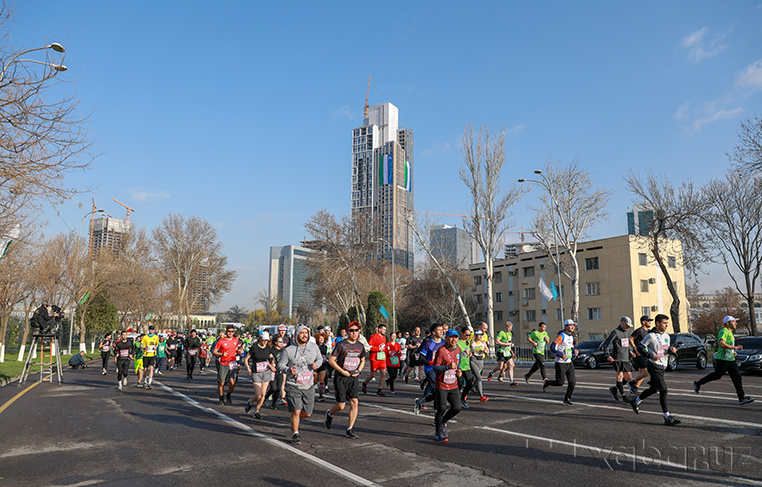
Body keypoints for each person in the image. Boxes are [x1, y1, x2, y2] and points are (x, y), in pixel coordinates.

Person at [629, 314, 681, 426]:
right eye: (664, 323)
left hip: (662, 366)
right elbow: (640, 348)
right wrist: (650, 355)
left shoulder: (667, 336)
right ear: (657, 323)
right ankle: (667, 417)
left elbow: (663, 351)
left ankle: (636, 401)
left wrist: (672, 351)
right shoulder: (650, 336)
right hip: (654, 365)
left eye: (667, 323)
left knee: (654, 389)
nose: (666, 325)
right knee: (663, 390)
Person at [694, 316, 754, 405]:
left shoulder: (730, 333)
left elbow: (727, 346)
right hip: (722, 359)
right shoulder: (723, 331)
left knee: (737, 377)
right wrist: (735, 347)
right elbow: (721, 344)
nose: (736, 323)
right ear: (727, 323)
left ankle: (741, 398)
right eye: (734, 322)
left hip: (730, 359)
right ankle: (698, 383)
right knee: (717, 375)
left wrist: (732, 352)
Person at [278, 324, 322, 445]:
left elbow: (320, 359)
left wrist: (316, 365)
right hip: (293, 384)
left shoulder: (314, 347)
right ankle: (295, 433)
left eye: (306, 333)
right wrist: (288, 370)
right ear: (297, 334)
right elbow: (280, 365)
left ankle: (294, 420)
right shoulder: (289, 350)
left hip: (308, 384)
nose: (304, 335)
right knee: (297, 410)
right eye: (301, 333)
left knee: (307, 413)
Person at [325, 321, 366, 439]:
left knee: (354, 402)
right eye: (351, 330)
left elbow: (362, 360)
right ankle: (330, 414)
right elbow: (331, 361)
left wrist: (359, 370)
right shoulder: (342, 345)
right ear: (347, 332)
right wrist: (342, 371)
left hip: (354, 377)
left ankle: (350, 429)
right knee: (341, 406)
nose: (354, 333)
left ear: (359, 332)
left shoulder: (360, 346)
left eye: (356, 330)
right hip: (341, 377)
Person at [432, 329, 463, 442]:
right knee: (441, 409)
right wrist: (447, 367)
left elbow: (457, 365)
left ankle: (442, 423)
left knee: (457, 408)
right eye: (451, 337)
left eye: (456, 337)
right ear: (446, 338)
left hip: (453, 383)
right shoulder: (441, 351)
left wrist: (459, 371)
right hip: (441, 384)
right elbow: (435, 368)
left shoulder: (458, 349)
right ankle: (437, 432)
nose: (454, 339)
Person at [543, 319, 579, 405]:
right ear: (566, 326)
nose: (572, 327)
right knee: (560, 382)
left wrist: (574, 350)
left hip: (569, 362)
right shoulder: (561, 336)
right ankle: (547, 382)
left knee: (572, 382)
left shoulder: (571, 336)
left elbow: (570, 346)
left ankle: (567, 399)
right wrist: (560, 354)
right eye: (570, 325)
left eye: (573, 325)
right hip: (560, 362)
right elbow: (553, 347)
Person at [601, 317, 635, 403]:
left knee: (629, 377)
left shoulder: (627, 332)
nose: (628, 327)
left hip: (626, 358)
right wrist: (608, 355)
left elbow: (626, 344)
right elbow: (605, 345)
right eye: (627, 325)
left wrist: (630, 352)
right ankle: (624, 397)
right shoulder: (615, 332)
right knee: (620, 377)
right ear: (622, 323)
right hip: (618, 358)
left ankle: (614, 388)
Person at [414, 323, 445, 415]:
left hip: (442, 369)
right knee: (437, 392)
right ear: (433, 332)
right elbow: (421, 358)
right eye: (439, 330)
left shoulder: (444, 343)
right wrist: (432, 362)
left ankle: (419, 402)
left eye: (442, 329)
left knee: (439, 393)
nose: (441, 331)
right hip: (431, 369)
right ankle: (437, 417)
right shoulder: (428, 343)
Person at [244, 331, 276, 419]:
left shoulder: (268, 348)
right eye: (264, 340)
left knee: (263, 393)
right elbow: (246, 359)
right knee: (258, 395)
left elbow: (270, 357)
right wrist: (248, 368)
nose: (265, 342)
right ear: (260, 339)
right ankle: (250, 402)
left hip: (266, 372)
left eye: (267, 340)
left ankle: (257, 411)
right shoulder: (254, 348)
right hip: (256, 372)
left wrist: (272, 363)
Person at [212, 325, 243, 405]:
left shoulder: (236, 340)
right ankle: (221, 397)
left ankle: (228, 394)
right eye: (229, 331)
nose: (230, 333)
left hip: (232, 363)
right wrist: (221, 353)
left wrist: (239, 351)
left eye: (232, 331)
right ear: (226, 332)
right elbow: (214, 352)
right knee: (221, 382)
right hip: (223, 363)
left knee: (233, 382)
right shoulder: (221, 341)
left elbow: (235, 349)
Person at [627, 316, 653, 395]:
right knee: (646, 372)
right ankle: (632, 383)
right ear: (643, 322)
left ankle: (634, 388)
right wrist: (635, 349)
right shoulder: (639, 330)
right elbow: (630, 339)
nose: (650, 322)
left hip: (646, 354)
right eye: (648, 321)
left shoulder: (649, 332)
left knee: (642, 373)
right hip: (639, 354)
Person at [488, 321, 518, 386]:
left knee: (511, 365)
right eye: (508, 327)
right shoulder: (501, 333)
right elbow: (497, 341)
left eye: (511, 328)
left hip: (507, 352)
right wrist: (505, 344)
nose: (510, 329)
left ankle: (511, 381)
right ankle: (491, 373)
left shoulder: (510, 334)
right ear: (505, 327)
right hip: (501, 352)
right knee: (500, 366)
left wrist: (511, 347)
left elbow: (509, 342)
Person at [361, 324, 388, 396]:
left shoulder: (384, 337)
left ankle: (380, 390)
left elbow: (383, 346)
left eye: (385, 330)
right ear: (379, 329)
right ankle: (364, 383)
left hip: (382, 358)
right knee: (373, 374)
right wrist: (378, 349)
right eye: (383, 329)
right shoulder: (373, 337)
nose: (385, 331)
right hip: (375, 358)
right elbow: (369, 346)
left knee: (383, 372)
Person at [469, 328, 490, 403]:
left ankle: (467, 390)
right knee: (479, 378)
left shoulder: (483, 343)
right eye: (479, 335)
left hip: (481, 361)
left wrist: (485, 351)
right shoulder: (472, 343)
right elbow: (468, 351)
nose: (481, 336)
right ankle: (481, 396)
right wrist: (470, 353)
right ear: (476, 335)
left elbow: (487, 351)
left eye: (481, 335)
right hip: (474, 360)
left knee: (474, 379)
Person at [457, 326, 475, 408]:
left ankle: (462, 398)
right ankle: (456, 400)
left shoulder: (468, 342)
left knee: (469, 383)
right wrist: (462, 353)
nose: (468, 336)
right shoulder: (457, 342)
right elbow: (455, 354)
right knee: (459, 384)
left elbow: (469, 351)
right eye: (466, 334)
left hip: (466, 366)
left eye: (469, 335)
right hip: (459, 367)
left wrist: (470, 353)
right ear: (462, 333)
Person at [140, 325, 160, 390]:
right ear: (149, 330)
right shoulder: (145, 337)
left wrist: (156, 347)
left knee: (151, 368)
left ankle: (150, 382)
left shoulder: (156, 337)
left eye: (153, 329)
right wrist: (144, 347)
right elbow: (141, 345)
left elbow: (157, 343)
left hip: (153, 355)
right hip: (146, 355)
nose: (151, 330)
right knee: (145, 369)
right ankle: (145, 381)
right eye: (150, 329)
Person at [314, 332, 329, 401]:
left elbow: (325, 354)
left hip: (323, 364)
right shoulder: (315, 346)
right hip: (316, 364)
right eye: (320, 339)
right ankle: (312, 393)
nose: (321, 340)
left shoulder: (325, 347)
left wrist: (328, 358)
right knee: (314, 381)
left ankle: (321, 395)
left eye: (322, 339)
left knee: (322, 380)